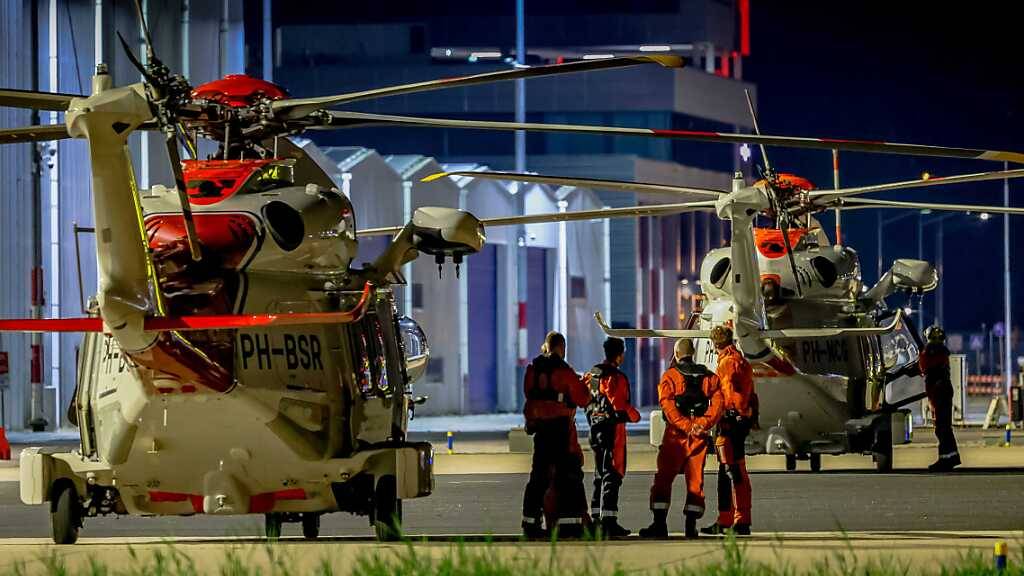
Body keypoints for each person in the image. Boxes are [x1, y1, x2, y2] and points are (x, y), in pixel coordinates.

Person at [639, 338, 723, 539]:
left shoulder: (670, 376)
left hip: (675, 436)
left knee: (663, 478)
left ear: (677, 354)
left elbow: (667, 406)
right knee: (696, 482)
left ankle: (659, 525)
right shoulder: (709, 377)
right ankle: (690, 526)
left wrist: (685, 426)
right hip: (699, 436)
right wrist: (701, 424)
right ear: (692, 353)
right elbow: (718, 404)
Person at [522, 331, 592, 539]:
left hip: (541, 431)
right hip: (560, 431)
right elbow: (583, 398)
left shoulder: (532, 370)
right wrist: (583, 385)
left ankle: (530, 524)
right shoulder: (565, 371)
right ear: (562, 348)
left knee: (538, 478)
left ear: (546, 346)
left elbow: (530, 395)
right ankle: (571, 525)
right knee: (569, 476)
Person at [701, 325, 756, 536]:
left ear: (715, 344)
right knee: (732, 471)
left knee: (732, 472)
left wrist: (716, 417)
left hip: (729, 424)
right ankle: (732, 518)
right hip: (739, 422)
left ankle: (737, 520)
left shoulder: (726, 363)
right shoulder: (740, 360)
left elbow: (728, 394)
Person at [584, 337, 641, 538]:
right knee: (613, 475)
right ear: (619, 355)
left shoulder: (593, 374)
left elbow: (584, 398)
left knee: (599, 475)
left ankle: (596, 518)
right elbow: (619, 405)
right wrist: (635, 415)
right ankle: (609, 522)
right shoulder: (616, 377)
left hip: (594, 430)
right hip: (613, 432)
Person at [890, 325, 961, 471]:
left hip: (938, 391)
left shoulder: (931, 350)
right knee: (944, 427)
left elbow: (922, 366)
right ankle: (951, 456)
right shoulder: (941, 351)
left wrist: (902, 370)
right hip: (943, 390)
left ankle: (946, 460)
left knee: (942, 428)